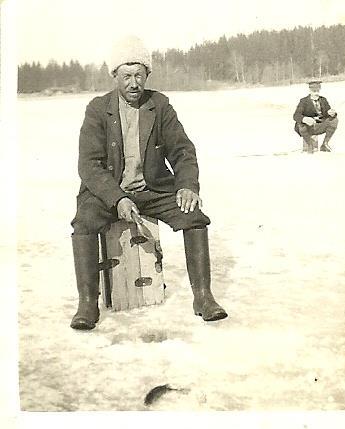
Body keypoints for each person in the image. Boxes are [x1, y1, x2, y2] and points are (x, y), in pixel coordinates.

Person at [70, 35, 227, 330]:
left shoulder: (160, 105)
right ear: (114, 75)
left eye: (139, 75)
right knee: (84, 222)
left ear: (147, 75)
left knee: (193, 216)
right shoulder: (97, 109)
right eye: (126, 76)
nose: (133, 83)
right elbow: (89, 165)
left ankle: (203, 297)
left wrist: (187, 185)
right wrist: (117, 198)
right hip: (109, 192)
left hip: (154, 190)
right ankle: (87, 304)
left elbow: (183, 151)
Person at [293, 79, 338, 153]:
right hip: (308, 127)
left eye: (317, 91)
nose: (316, 93)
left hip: (320, 125)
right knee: (300, 124)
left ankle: (324, 144)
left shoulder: (323, 100)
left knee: (334, 120)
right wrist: (305, 119)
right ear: (310, 91)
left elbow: (328, 114)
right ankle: (310, 145)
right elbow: (296, 116)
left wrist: (332, 114)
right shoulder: (303, 101)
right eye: (314, 91)